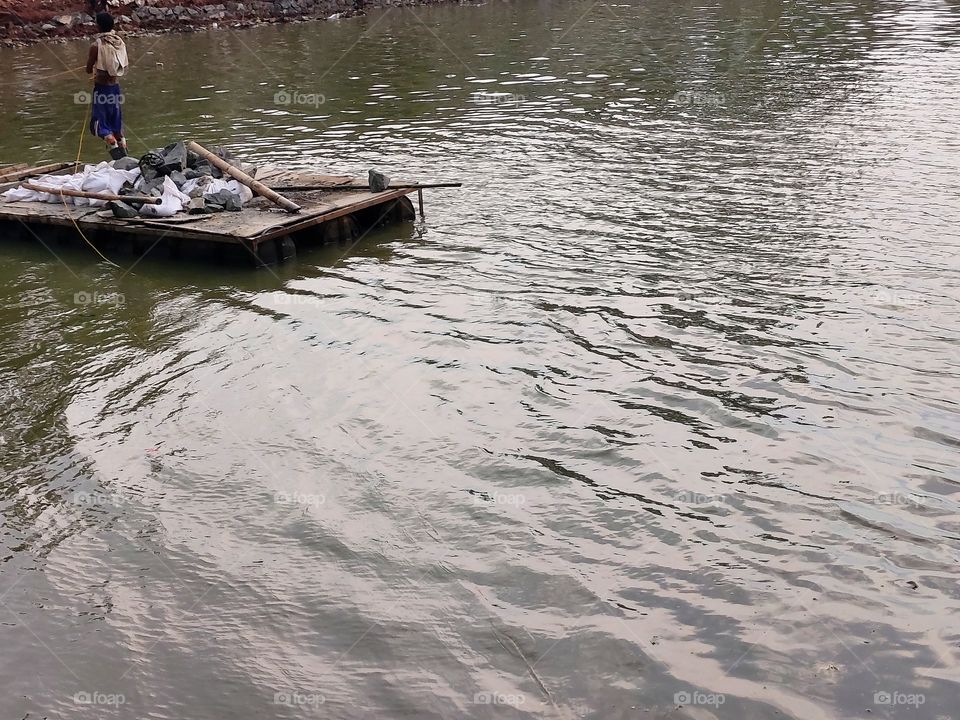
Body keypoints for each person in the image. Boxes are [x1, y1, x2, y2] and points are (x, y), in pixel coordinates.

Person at [85, 12, 129, 160]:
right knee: (116, 123)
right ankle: (124, 154)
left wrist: (93, 67)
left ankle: (114, 150)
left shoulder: (96, 45)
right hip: (115, 88)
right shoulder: (119, 42)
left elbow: (88, 68)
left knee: (100, 125)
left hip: (102, 90)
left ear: (98, 26)